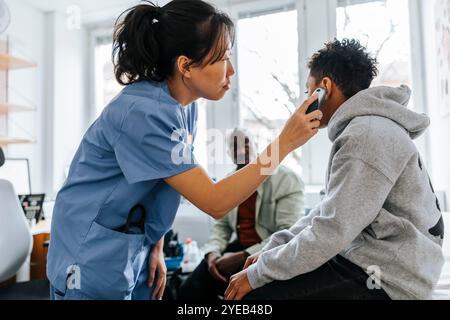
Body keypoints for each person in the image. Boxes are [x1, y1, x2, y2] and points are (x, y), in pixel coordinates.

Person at [46, 0, 322, 300]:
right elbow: (215, 202)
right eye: (223, 58)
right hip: (88, 253)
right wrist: (284, 144)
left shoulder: (184, 109)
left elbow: (164, 181)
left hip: (131, 245)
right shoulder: (142, 112)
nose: (231, 71)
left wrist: (157, 246)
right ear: (185, 66)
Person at [225, 39, 445, 300]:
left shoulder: (366, 135)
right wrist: (273, 250)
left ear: (324, 88)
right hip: (378, 261)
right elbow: (328, 213)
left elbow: (331, 230)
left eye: (309, 91)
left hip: (390, 277)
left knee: (255, 297)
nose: (307, 100)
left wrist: (258, 274)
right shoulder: (366, 128)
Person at [177, 128, 305, 300]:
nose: (241, 151)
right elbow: (221, 227)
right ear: (229, 152)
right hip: (239, 248)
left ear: (256, 146)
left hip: (269, 252)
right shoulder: (229, 183)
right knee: (188, 290)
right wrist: (212, 253)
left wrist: (244, 256)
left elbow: (288, 233)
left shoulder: (285, 179)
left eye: (245, 144)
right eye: (234, 147)